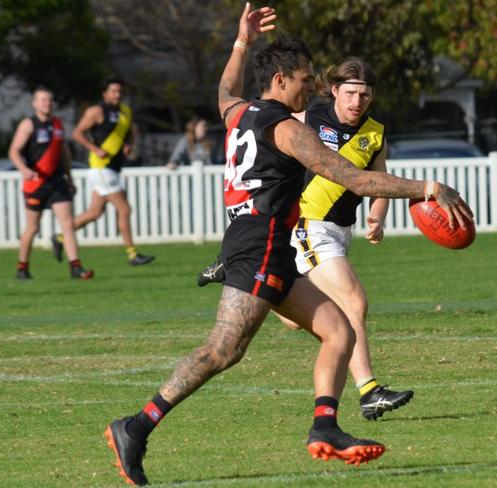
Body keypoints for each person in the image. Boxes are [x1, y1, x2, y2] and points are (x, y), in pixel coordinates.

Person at [104, 4, 472, 486]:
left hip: (265, 243)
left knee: (338, 330)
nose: (310, 89)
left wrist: (241, 41)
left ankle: (326, 427)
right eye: (302, 79)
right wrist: (428, 189)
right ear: (280, 80)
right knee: (223, 350)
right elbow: (352, 178)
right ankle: (137, 425)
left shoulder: (240, 112)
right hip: (261, 243)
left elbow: (224, 91)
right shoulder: (285, 128)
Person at [198, 58, 414, 420]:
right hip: (309, 225)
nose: (356, 102)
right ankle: (369, 392)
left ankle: (247, 274)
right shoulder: (308, 118)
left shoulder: (375, 134)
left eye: (364, 95)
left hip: (340, 232)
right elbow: (263, 132)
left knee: (295, 318)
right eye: (350, 93)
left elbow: (379, 181)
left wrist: (377, 217)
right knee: (353, 301)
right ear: (334, 91)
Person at [51, 76, 155, 266]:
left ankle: (59, 237)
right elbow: (77, 133)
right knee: (124, 209)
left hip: (113, 168)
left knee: (94, 212)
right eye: (113, 91)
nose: (117, 95)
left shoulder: (125, 111)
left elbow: (130, 134)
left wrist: (128, 145)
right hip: (101, 168)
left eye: (120, 91)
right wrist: (95, 149)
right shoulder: (96, 111)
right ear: (105, 93)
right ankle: (132, 254)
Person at [8, 87, 94, 280]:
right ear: (35, 103)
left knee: (68, 224)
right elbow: (14, 151)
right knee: (32, 228)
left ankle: (75, 267)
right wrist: (24, 170)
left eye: (49, 100)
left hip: (57, 182)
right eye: (43, 100)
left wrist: (69, 177)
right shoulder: (28, 125)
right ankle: (22, 267)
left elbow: (63, 152)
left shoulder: (57, 124)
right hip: (36, 183)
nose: (47, 103)